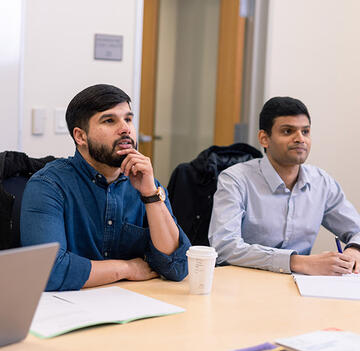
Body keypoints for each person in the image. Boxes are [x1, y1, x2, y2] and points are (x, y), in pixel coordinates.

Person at [21, 84, 191, 291]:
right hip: (68, 310)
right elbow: (46, 271)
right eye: (109, 120)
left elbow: (178, 266)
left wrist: (150, 196)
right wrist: (126, 268)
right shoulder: (48, 185)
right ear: (80, 136)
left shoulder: (147, 185)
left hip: (136, 305)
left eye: (128, 119)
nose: (125, 128)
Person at [209, 96, 360, 276]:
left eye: (305, 131)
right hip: (246, 283)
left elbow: (356, 230)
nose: (300, 139)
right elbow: (224, 247)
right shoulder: (235, 179)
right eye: (288, 131)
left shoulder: (322, 182)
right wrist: (296, 262)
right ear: (264, 139)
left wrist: (354, 250)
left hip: (303, 288)